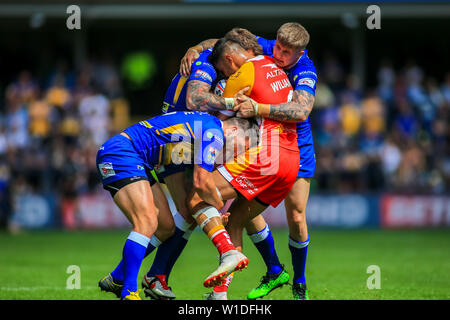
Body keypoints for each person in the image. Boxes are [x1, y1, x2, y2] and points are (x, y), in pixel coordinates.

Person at [183, 23, 316, 300]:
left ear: (300, 53)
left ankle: (298, 282)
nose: (279, 54)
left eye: (286, 52)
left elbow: (302, 110)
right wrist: (196, 48)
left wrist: (257, 108)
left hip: (289, 145)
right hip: (278, 151)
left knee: (296, 215)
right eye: (277, 47)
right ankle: (233, 289)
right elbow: (223, 41)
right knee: (237, 220)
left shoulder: (305, 69)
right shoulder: (265, 50)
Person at [96, 111, 252, 300]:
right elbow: (201, 182)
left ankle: (118, 277)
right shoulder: (214, 131)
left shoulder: (205, 126)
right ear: (235, 130)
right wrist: (219, 207)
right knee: (146, 222)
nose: (235, 155)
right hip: (121, 152)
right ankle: (129, 293)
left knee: (165, 227)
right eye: (241, 148)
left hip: (137, 158)